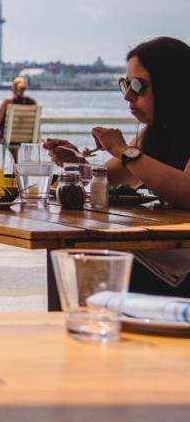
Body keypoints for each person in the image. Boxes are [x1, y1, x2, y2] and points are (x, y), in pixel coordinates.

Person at [45, 36, 190, 296]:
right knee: (66, 252)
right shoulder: (154, 133)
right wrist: (76, 164)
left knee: (77, 257)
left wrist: (123, 150)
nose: (128, 96)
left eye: (138, 86)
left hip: (180, 264)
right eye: (126, 84)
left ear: (171, 86)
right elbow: (108, 178)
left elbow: (187, 192)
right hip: (165, 252)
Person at [0, 76, 37, 160]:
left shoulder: (8, 101)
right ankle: (15, 166)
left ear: (13, 88)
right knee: (13, 139)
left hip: (9, 135)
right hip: (26, 136)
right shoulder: (32, 102)